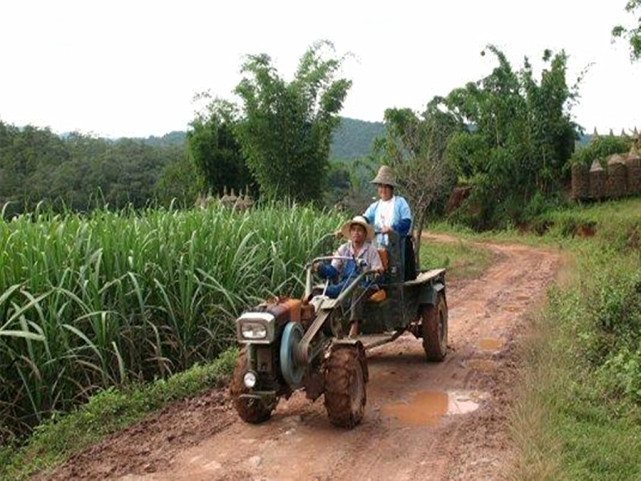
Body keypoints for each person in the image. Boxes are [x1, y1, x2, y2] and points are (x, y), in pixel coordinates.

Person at [315, 215, 383, 337]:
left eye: (360, 230)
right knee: (318, 291)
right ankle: (315, 327)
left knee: (357, 291)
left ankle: (354, 326)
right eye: (354, 230)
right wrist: (320, 268)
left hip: (365, 285)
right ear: (350, 232)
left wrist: (377, 271)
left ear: (364, 233)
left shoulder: (371, 250)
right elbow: (333, 270)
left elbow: (377, 271)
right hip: (344, 285)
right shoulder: (344, 249)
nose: (356, 233)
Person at [363, 165, 416, 280]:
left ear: (391, 188)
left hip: (396, 247)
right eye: (381, 186)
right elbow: (364, 219)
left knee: (394, 274)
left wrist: (392, 228)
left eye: (386, 186)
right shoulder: (375, 206)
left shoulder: (400, 202)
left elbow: (406, 222)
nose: (383, 189)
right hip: (378, 246)